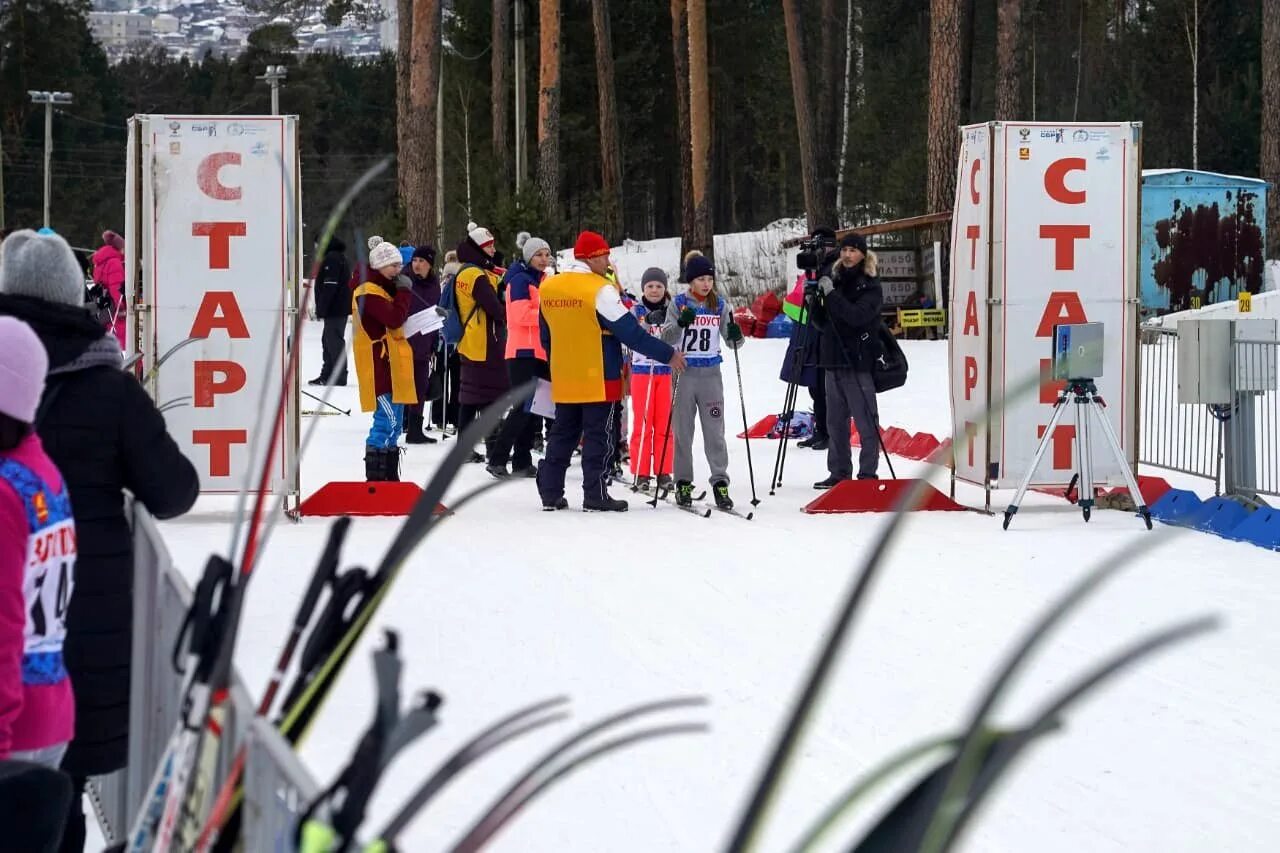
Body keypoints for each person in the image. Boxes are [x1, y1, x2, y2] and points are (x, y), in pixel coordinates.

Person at [0, 229, 199, 853]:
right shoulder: (107, 384)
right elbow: (173, 490)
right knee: (61, 796)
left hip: (22, 630)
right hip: (80, 622)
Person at [537, 231, 686, 512]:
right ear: (591, 257)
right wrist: (668, 354)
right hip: (599, 374)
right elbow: (631, 333)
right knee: (598, 435)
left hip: (565, 373)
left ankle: (550, 491)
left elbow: (546, 335)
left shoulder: (550, 287)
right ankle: (595, 494)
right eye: (604, 255)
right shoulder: (600, 290)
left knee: (563, 433)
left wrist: (557, 362)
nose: (608, 261)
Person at [0, 317, 77, 771]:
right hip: (47, 713)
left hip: (13, 732)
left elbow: (5, 622)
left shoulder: (7, 492)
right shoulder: (38, 469)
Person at [661, 253, 745, 510]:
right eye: (701, 279)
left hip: (711, 375)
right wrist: (680, 326)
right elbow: (665, 338)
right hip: (684, 375)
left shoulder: (720, 305)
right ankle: (683, 482)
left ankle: (720, 483)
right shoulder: (678, 304)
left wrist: (736, 334)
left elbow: (734, 343)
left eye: (709, 278)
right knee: (683, 433)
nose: (706, 283)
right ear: (691, 281)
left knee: (715, 433)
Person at [812, 232, 884, 488]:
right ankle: (839, 472)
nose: (847, 255)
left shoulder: (870, 284)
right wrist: (816, 302)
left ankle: (867, 474)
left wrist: (830, 296)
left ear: (863, 254)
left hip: (858, 360)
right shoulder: (835, 279)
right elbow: (821, 322)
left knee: (865, 421)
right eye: (844, 250)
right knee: (835, 423)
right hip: (833, 360)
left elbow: (856, 316)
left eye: (853, 250)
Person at [486, 235, 551, 479]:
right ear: (528, 257)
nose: (544, 259)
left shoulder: (540, 280)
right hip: (522, 351)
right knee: (523, 407)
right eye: (539, 255)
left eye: (546, 255)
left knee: (533, 408)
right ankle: (497, 458)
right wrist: (548, 313)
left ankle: (522, 460)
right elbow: (519, 315)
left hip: (538, 351)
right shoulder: (520, 281)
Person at [353, 238, 415, 481]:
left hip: (392, 365)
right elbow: (393, 318)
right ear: (379, 266)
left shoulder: (382, 289)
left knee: (396, 423)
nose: (398, 271)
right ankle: (376, 477)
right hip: (379, 366)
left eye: (400, 266)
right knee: (386, 420)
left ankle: (388, 474)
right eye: (393, 266)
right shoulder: (368, 291)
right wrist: (403, 292)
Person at [453, 224, 509, 462]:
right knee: (486, 396)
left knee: (474, 395)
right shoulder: (475, 275)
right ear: (479, 248)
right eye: (489, 246)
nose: (493, 250)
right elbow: (495, 309)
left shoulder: (467, 271)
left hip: (472, 341)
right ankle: (491, 446)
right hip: (483, 342)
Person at [628, 267, 675, 492]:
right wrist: (647, 320)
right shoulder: (635, 310)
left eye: (658, 286)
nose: (654, 290)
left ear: (665, 289)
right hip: (642, 371)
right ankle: (641, 470)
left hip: (664, 373)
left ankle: (664, 470)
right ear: (643, 289)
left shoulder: (672, 310)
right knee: (643, 423)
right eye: (650, 287)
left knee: (664, 423)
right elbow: (631, 334)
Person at [403, 245, 440, 445]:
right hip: (403, 341)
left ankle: (415, 430)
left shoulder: (435, 285)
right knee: (401, 387)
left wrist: (434, 343)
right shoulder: (403, 281)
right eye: (415, 260)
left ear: (430, 265)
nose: (417, 264)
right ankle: (400, 423)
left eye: (422, 261)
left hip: (424, 343)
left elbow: (435, 313)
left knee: (420, 387)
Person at [311, 236, 352, 387]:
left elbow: (330, 286)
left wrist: (322, 308)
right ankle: (327, 374)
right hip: (336, 309)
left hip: (335, 309)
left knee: (333, 342)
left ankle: (338, 376)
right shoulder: (337, 257)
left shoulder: (332, 259)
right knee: (328, 341)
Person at [431, 250, 463, 433]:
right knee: (455, 380)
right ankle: (453, 416)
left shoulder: (442, 287)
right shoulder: (456, 287)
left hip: (444, 341)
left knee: (444, 379)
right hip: (452, 341)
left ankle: (441, 416)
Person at [90, 231, 126, 350]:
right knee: (121, 342)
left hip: (104, 309)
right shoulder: (115, 263)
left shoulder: (100, 262)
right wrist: (122, 307)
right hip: (114, 310)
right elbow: (116, 286)